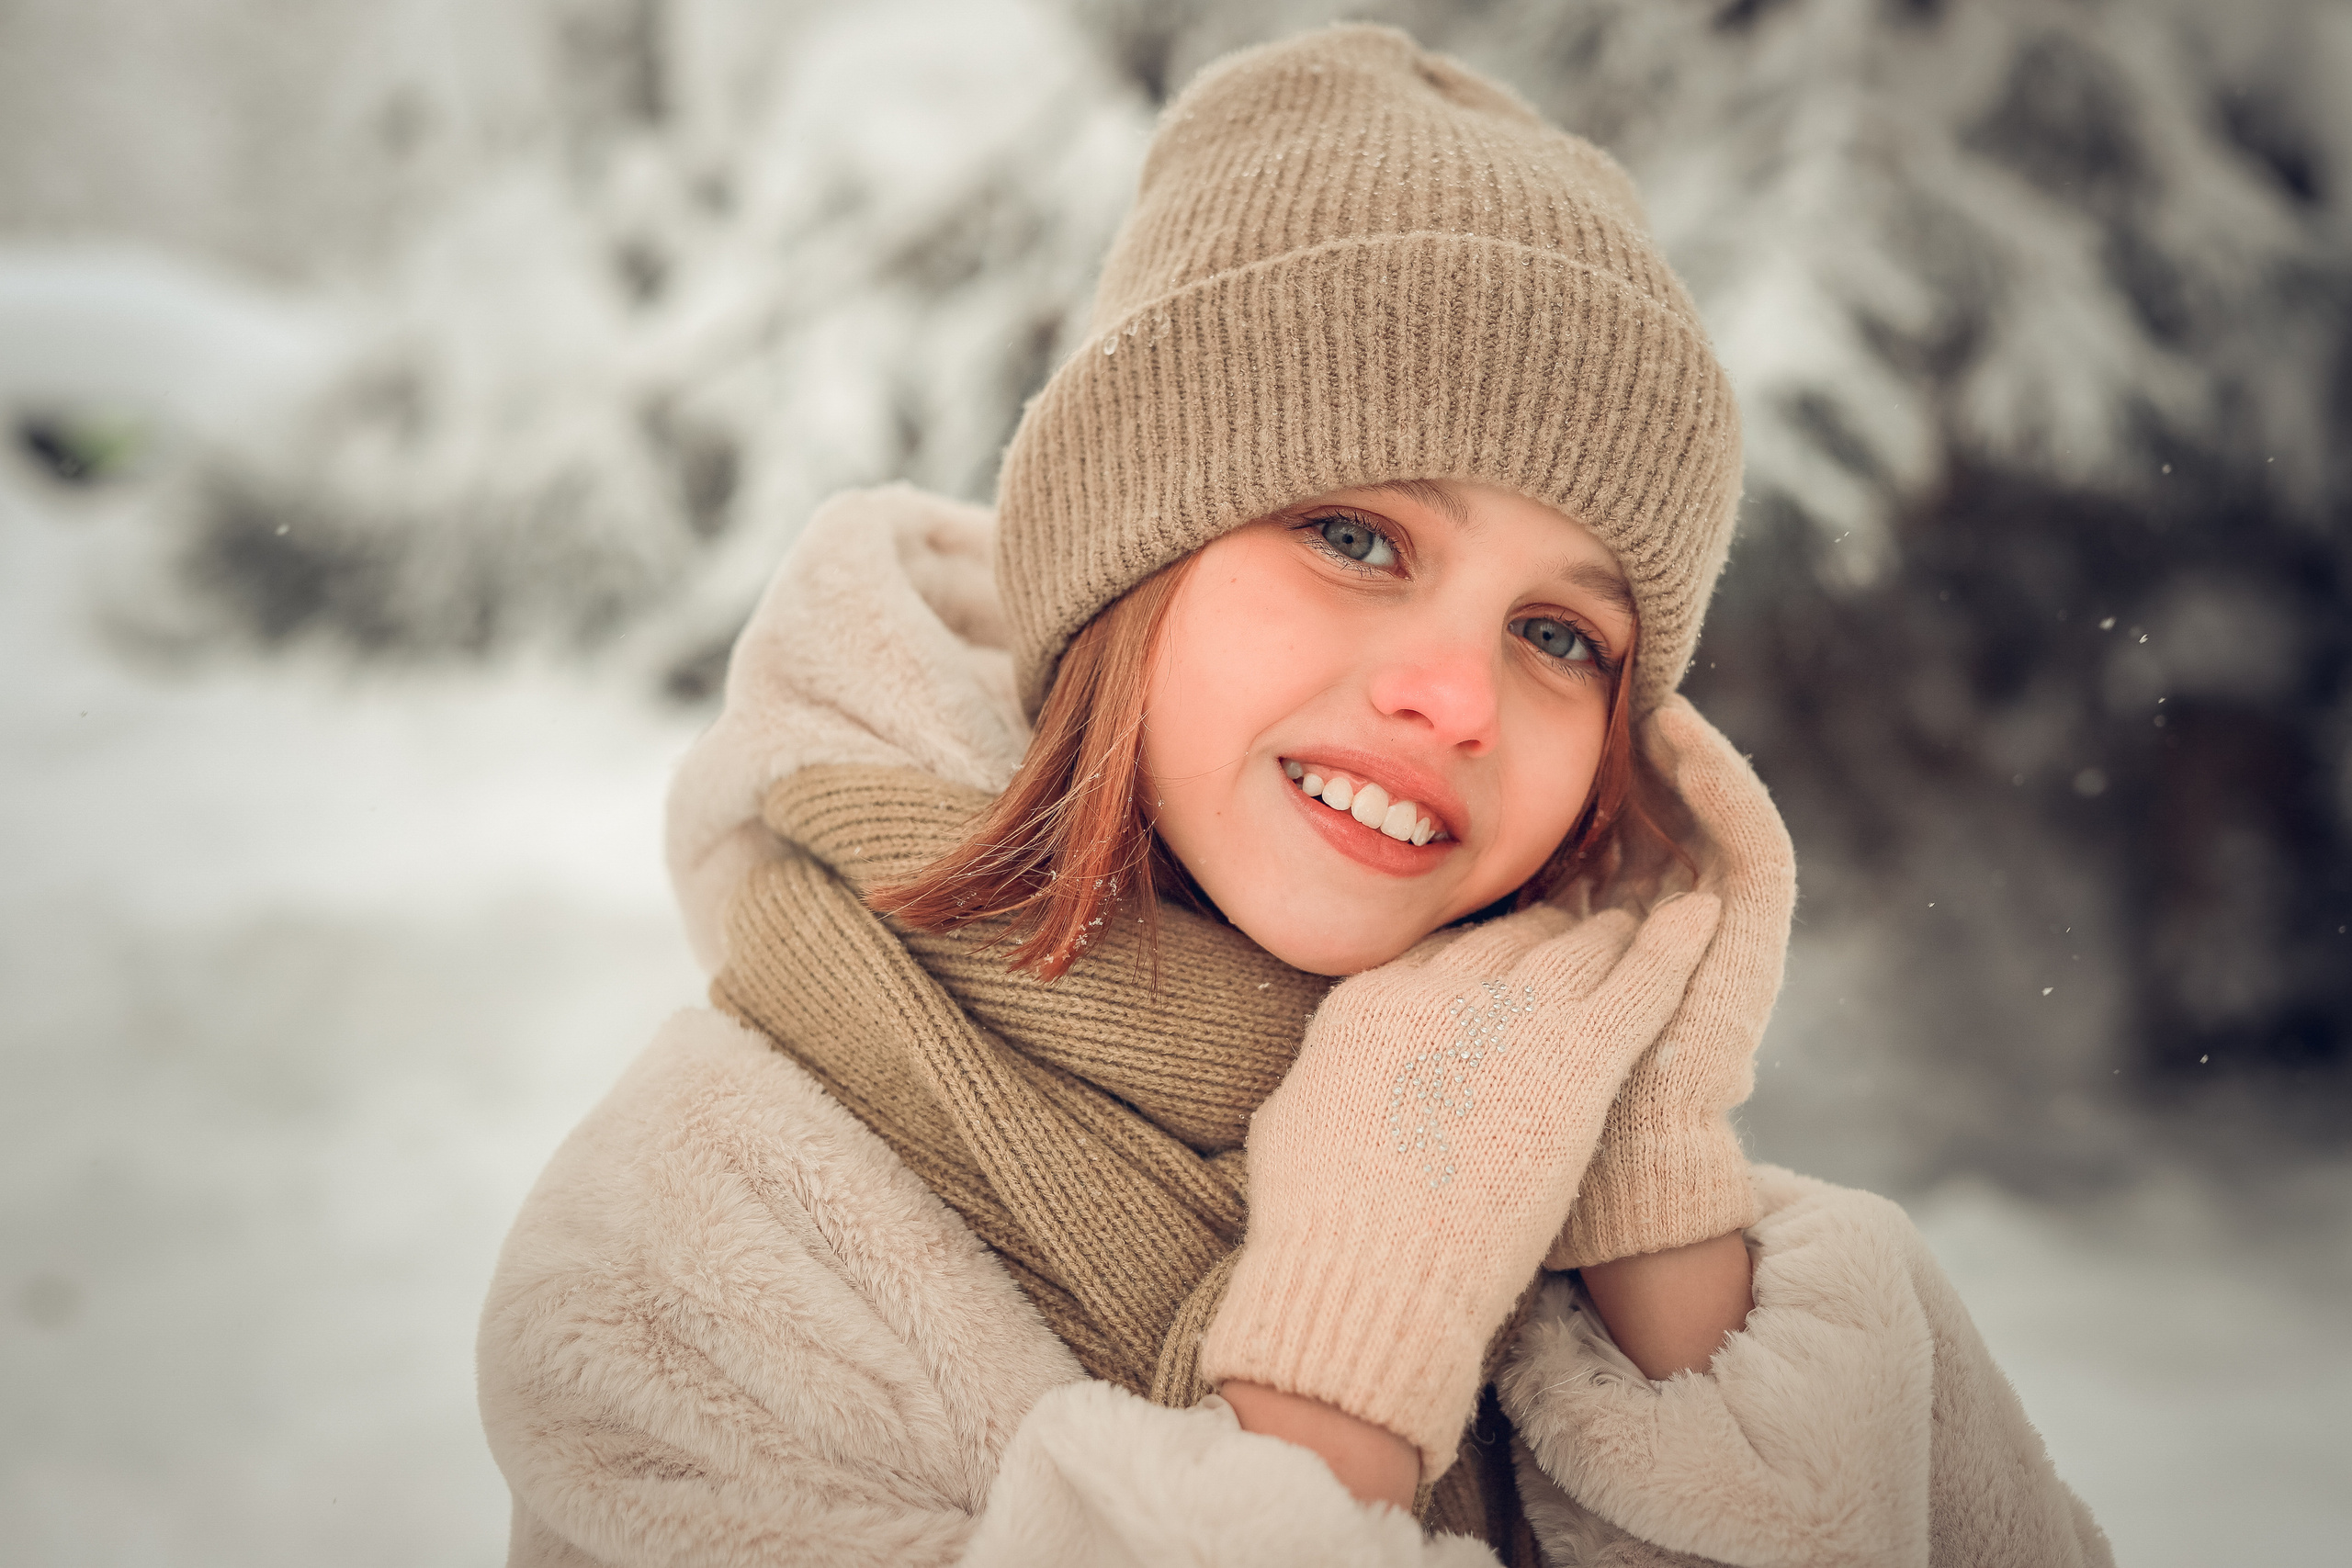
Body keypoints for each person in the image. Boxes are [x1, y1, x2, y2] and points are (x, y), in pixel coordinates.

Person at [479, 26, 2112, 1566]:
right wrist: (1351, 1340)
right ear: (1131, 558)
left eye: (1559, 636)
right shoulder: (693, 1246)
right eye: (1356, 537)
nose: (1457, 697)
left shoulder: (1656, 1202)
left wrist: (1652, 1187)